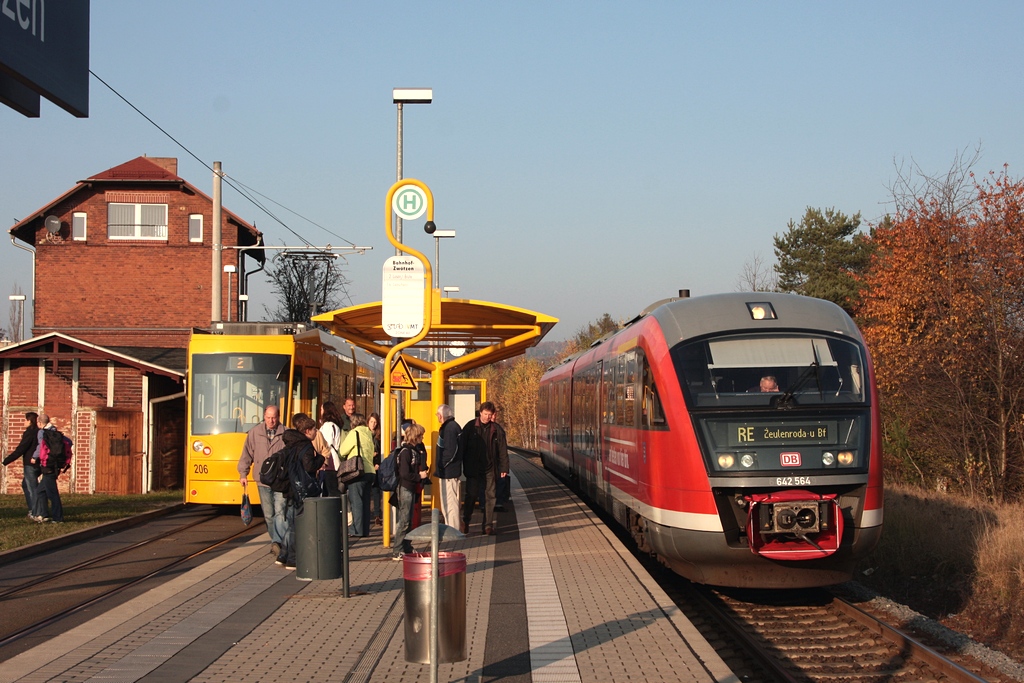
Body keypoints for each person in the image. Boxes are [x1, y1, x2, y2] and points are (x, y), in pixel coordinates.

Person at [273, 414, 325, 569]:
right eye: (314, 429)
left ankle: (283, 555)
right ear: (307, 431)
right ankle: (293, 559)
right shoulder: (306, 446)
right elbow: (309, 466)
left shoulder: (291, 443)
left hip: (290, 487)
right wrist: (320, 459)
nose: (316, 432)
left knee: (291, 523)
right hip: (301, 490)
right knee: (298, 524)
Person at [237, 405, 286, 559]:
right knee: (269, 514)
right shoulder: (254, 433)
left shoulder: (285, 433)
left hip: (280, 480)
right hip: (262, 480)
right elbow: (246, 454)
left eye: (274, 418)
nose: (271, 421)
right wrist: (243, 474)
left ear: (278, 417)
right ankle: (276, 540)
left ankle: (278, 542)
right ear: (264, 417)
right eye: (268, 418)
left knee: (280, 512)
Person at [460, 402, 508, 535]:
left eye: (490, 415)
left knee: (490, 496)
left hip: (490, 468)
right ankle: (466, 521)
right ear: (480, 413)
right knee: (472, 494)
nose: (487, 417)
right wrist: (460, 464)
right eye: (485, 414)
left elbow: (502, 450)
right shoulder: (470, 427)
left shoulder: (497, 430)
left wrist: (504, 468)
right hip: (473, 468)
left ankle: (487, 526)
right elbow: (462, 447)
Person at [392, 422, 429, 559]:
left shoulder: (414, 451)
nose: (422, 438)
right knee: (404, 520)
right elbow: (404, 473)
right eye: (421, 436)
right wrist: (419, 476)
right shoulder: (406, 452)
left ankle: (406, 546)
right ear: (415, 436)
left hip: (411, 488)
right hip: (405, 488)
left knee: (409, 520)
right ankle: (397, 549)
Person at [337, 413, 376, 537]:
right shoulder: (368, 434)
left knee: (356, 501)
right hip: (370, 471)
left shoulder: (354, 433)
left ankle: (356, 531)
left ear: (353, 423)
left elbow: (342, 451)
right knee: (365, 501)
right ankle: (364, 530)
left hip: (358, 471)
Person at [3, 412, 41, 520]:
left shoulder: (30, 433)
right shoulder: (39, 432)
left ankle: (36, 512)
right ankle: (33, 509)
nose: (24, 422)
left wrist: (6, 461)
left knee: (32, 488)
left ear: (30, 421)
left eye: (25, 420)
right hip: (39, 463)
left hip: (30, 464)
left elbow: (21, 449)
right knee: (26, 484)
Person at [434, 404, 463, 529]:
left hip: (448, 473)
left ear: (441, 416)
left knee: (450, 504)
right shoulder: (453, 427)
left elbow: (450, 451)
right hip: (451, 471)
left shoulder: (449, 429)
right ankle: (453, 527)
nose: (437, 417)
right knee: (452, 503)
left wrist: (442, 466)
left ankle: (452, 530)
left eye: (437, 415)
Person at [32, 413, 64, 523]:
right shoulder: (55, 431)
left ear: (40, 422)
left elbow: (40, 447)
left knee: (52, 494)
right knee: (40, 491)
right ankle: (43, 514)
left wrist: (34, 457)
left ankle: (58, 518)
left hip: (47, 466)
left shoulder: (43, 433)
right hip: (55, 465)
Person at [318, 402, 344, 497]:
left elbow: (326, 444)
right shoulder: (335, 425)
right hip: (333, 461)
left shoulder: (328, 425)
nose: (320, 411)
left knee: (329, 490)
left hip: (329, 461)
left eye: (322, 409)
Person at [367, 412, 383, 525]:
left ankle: (377, 514)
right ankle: (368, 514)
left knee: (376, 491)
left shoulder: (378, 436)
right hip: (368, 465)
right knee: (368, 491)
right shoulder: (365, 434)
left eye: (375, 422)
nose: (373, 424)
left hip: (376, 465)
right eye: (371, 421)